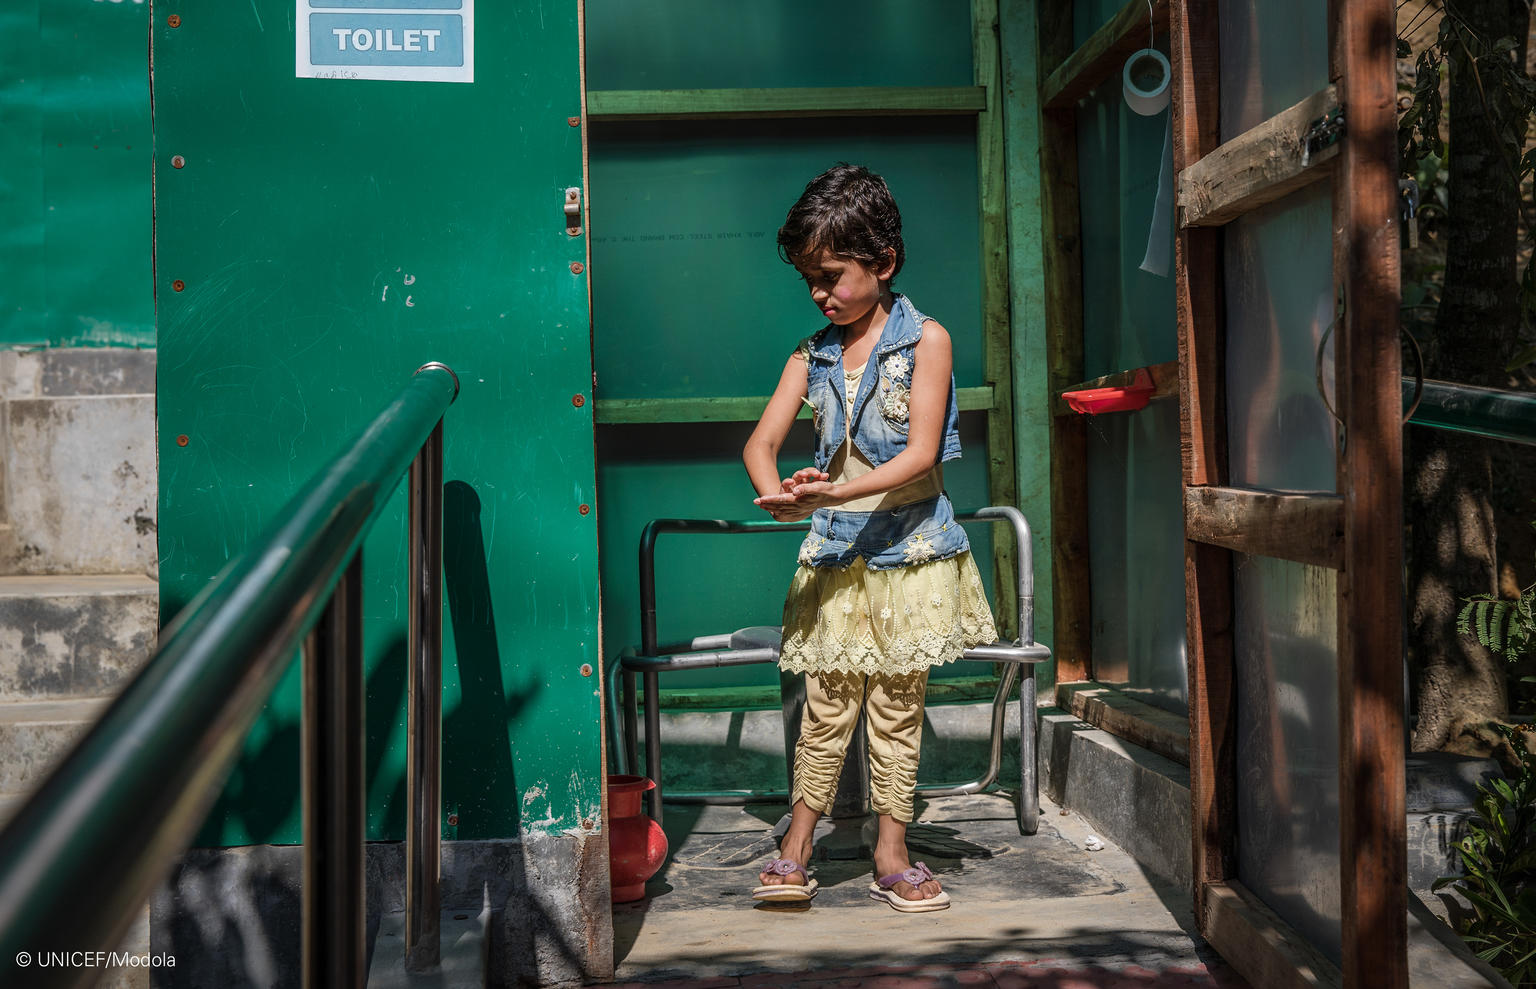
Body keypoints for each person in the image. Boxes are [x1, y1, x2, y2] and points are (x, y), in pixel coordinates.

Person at [742, 164, 998, 912]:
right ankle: (797, 843)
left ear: (883, 263)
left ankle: (892, 847)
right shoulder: (809, 354)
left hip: (911, 555)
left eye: (832, 275)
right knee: (825, 706)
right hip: (833, 557)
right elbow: (761, 443)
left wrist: (833, 493)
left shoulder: (930, 342)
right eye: (810, 282)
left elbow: (920, 456)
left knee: (896, 706)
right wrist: (778, 495)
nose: (821, 294)